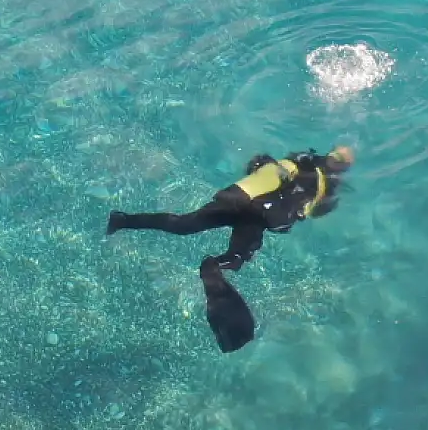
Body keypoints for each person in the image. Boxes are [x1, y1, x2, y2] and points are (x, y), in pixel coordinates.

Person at [106, 145, 355, 352]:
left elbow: (258, 163)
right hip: (257, 216)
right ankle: (211, 269)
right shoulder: (326, 187)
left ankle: (124, 220)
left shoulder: (302, 160)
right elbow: (311, 211)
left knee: (184, 225)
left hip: (243, 201)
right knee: (233, 257)